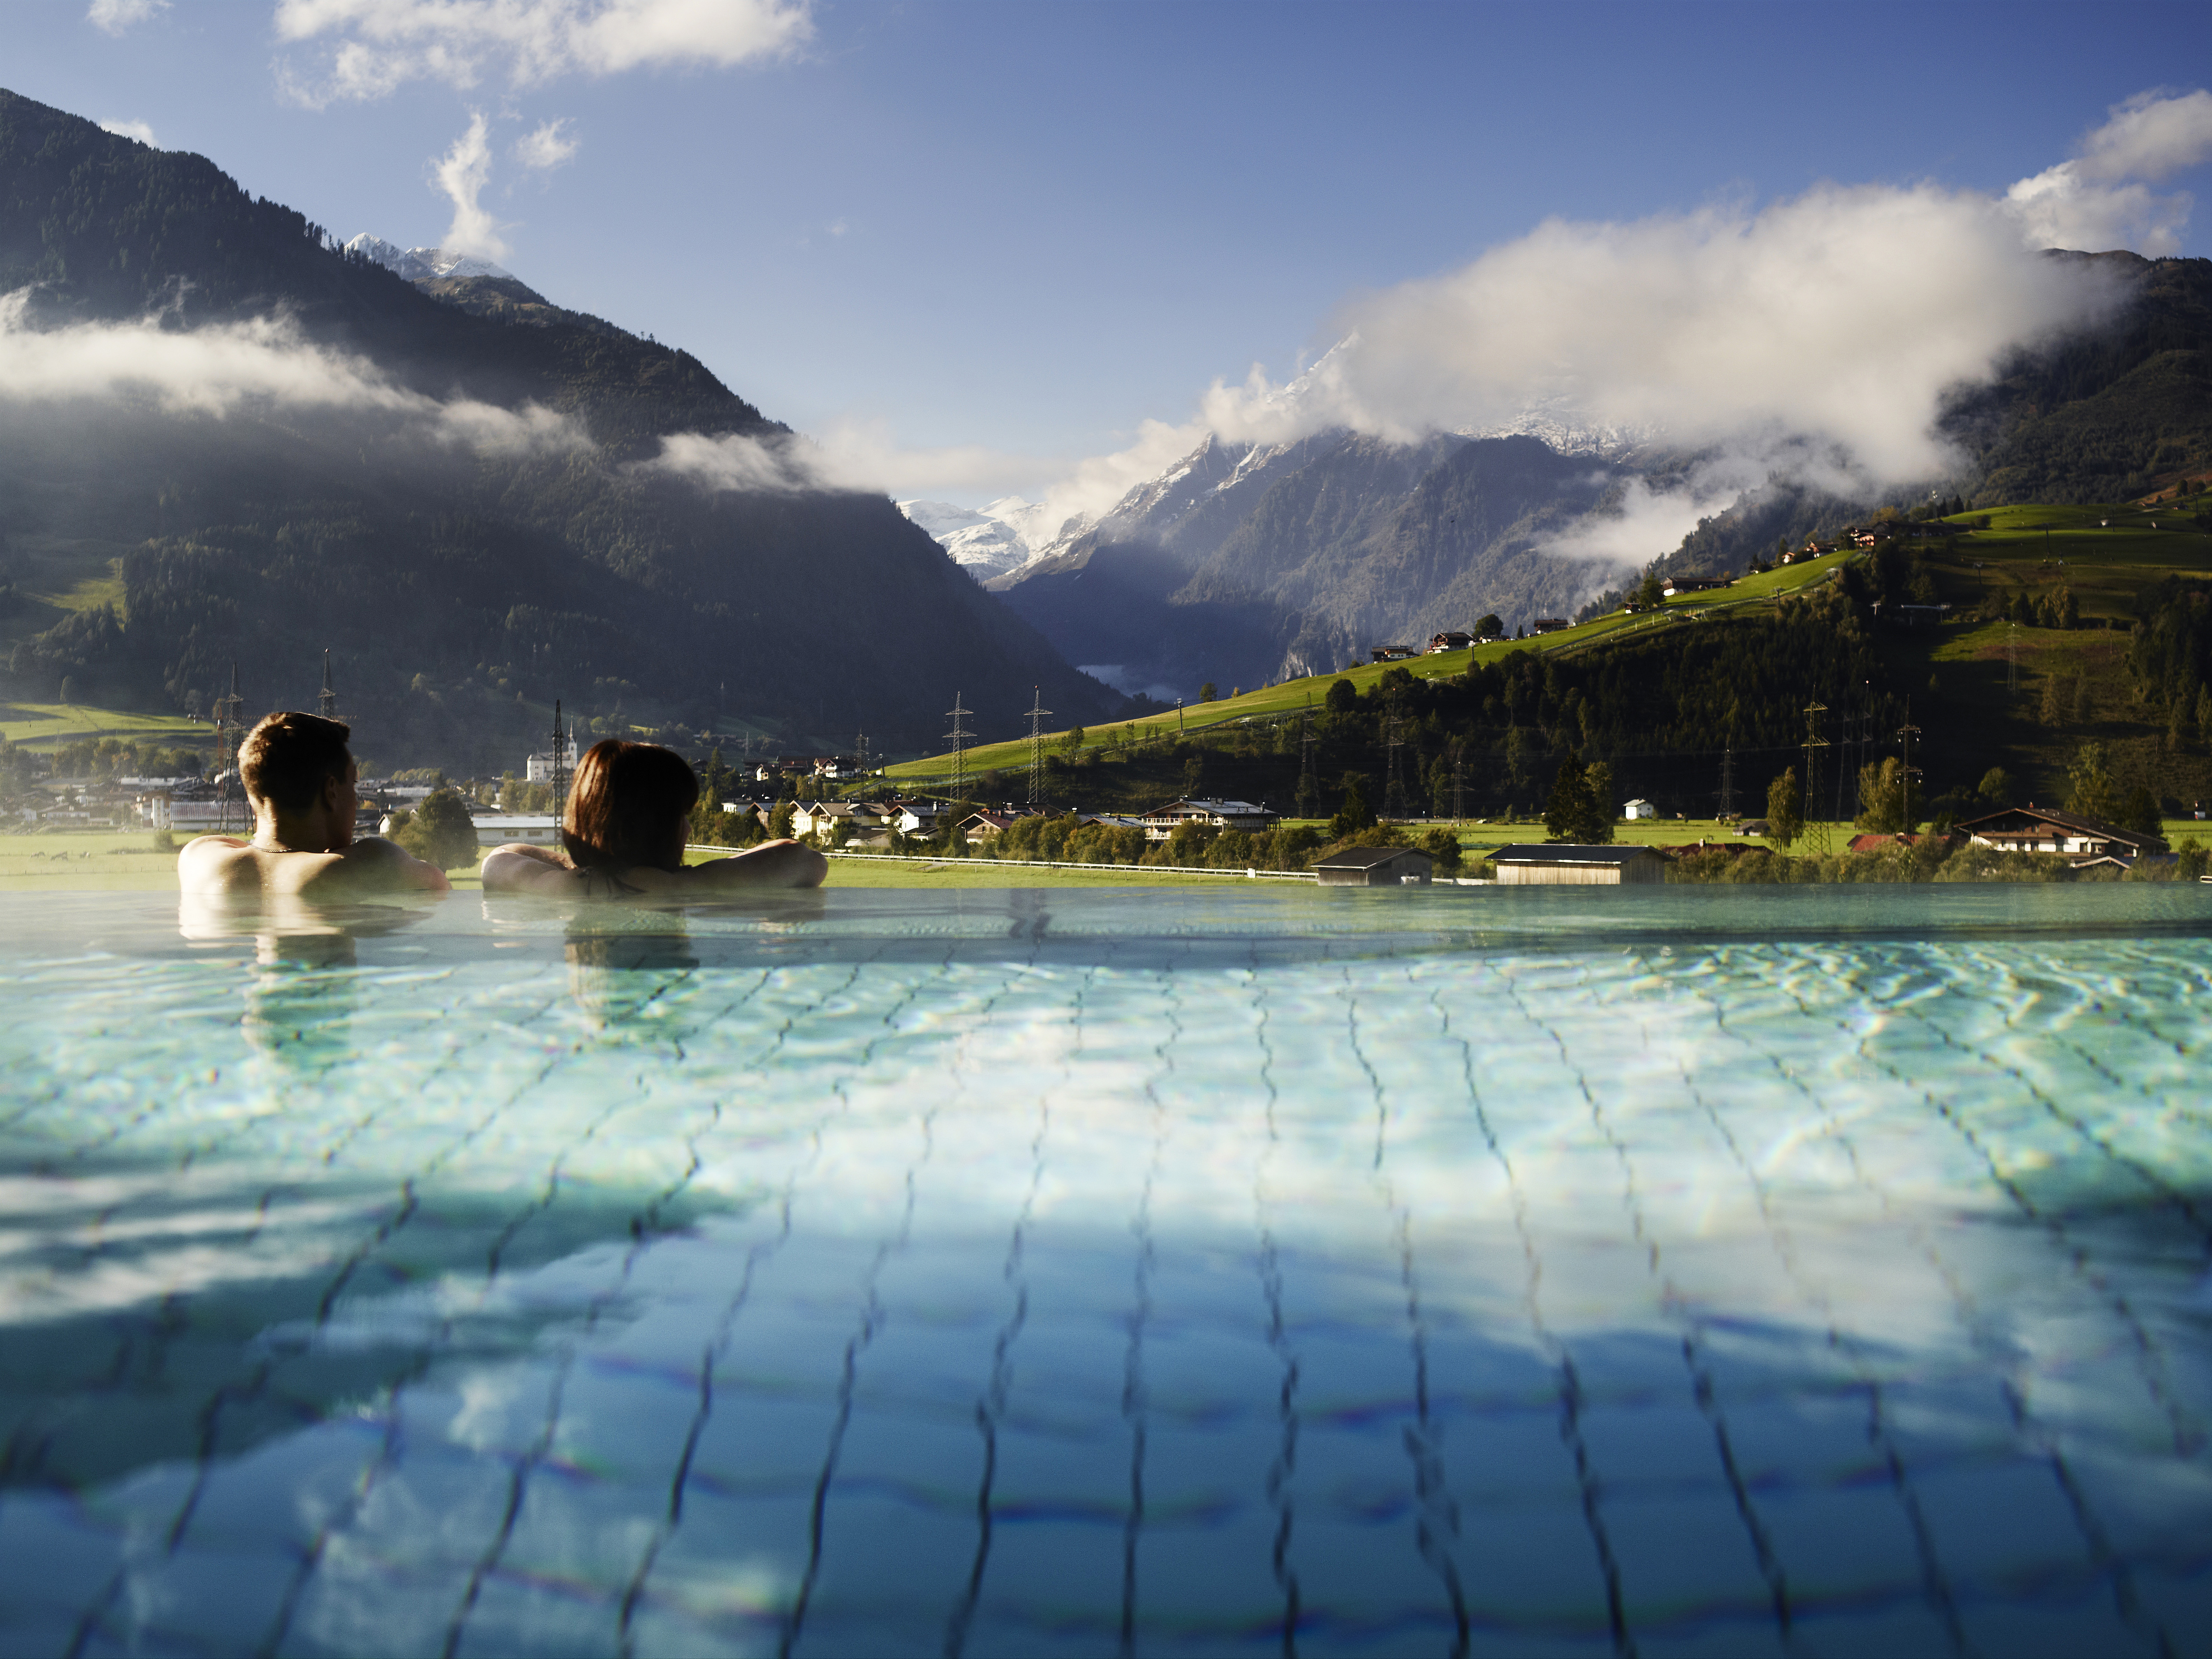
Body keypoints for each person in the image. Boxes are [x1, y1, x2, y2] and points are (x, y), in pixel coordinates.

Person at [481, 739, 826, 896]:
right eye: (682, 815)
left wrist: (584, 860)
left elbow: (497, 860)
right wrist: (718, 870)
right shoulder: (692, 888)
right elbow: (806, 861)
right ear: (662, 826)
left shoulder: (561, 889)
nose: (689, 827)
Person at [178, 712, 451, 898]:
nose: (355, 800)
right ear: (331, 790)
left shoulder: (199, 859)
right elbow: (442, 889)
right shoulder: (371, 864)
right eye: (353, 785)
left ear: (253, 791)